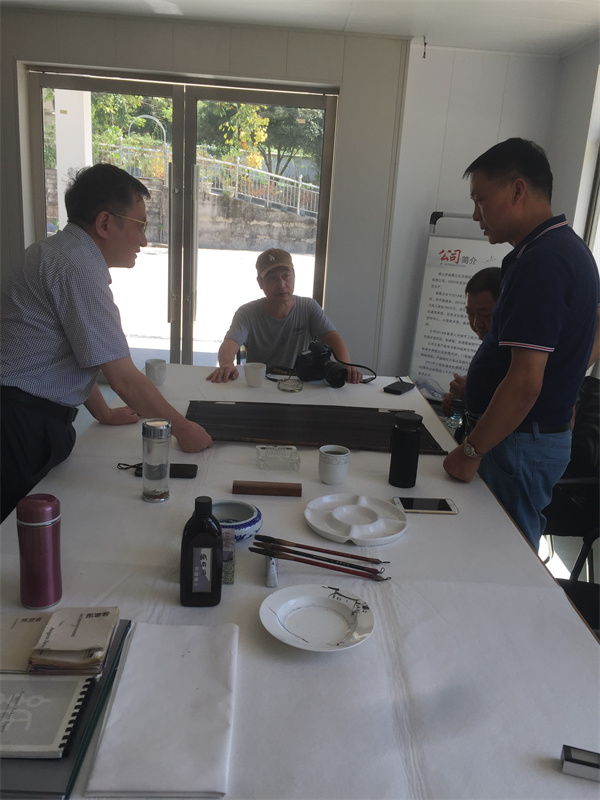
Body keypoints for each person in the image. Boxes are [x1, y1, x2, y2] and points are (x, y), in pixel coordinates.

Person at [1, 163, 212, 522]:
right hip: (18, 426)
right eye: (140, 226)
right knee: (17, 537)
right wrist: (182, 428)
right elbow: (124, 378)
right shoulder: (78, 269)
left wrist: (104, 413)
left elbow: (77, 353)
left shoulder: (54, 253)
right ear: (104, 223)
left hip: (24, 416)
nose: (144, 240)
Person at [442, 138, 600, 550]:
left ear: (517, 190)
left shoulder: (541, 261)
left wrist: (470, 451)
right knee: (497, 549)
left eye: (480, 199)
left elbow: (525, 382)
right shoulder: (569, 249)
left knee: (500, 553)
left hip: (518, 443)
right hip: (527, 438)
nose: (475, 214)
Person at [207, 248, 362, 383]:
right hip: (261, 385)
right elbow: (230, 343)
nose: (281, 284)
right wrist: (226, 364)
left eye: (286, 275)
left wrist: (346, 366)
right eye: (272, 278)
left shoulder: (308, 307)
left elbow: (333, 338)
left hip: (300, 384)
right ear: (260, 283)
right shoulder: (247, 313)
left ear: (294, 276)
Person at [441, 267, 501, 417]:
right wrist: (456, 398)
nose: (476, 323)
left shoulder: (517, 351)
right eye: (470, 313)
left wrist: (467, 394)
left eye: (485, 314)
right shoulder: (490, 345)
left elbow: (516, 403)